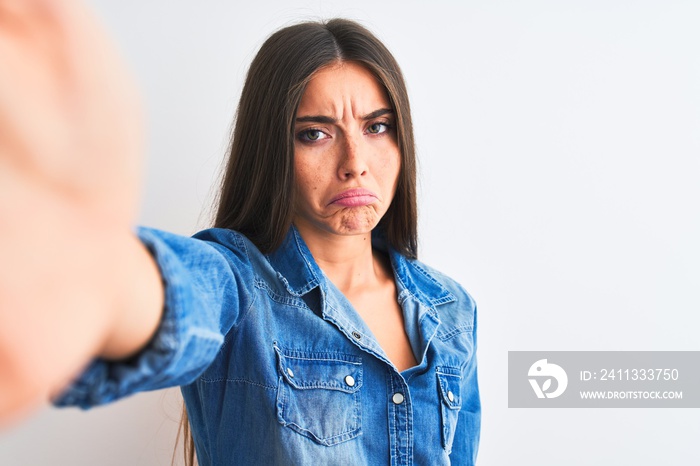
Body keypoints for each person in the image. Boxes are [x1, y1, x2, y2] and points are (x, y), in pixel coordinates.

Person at [0, 1, 479, 464]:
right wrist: (77, 257)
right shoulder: (237, 284)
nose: (355, 164)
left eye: (377, 127)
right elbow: (170, 295)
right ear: (271, 149)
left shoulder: (452, 309)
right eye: (315, 133)